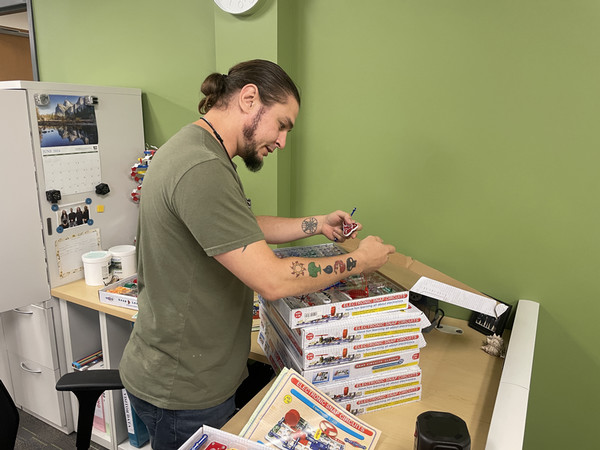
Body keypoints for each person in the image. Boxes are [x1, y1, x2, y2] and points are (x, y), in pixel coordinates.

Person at [119, 59, 395, 449]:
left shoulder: (198, 148)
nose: (282, 141)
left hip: (178, 372)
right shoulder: (201, 166)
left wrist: (316, 223)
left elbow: (239, 229)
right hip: (183, 391)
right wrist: (360, 261)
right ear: (249, 98)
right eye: (282, 124)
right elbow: (273, 279)